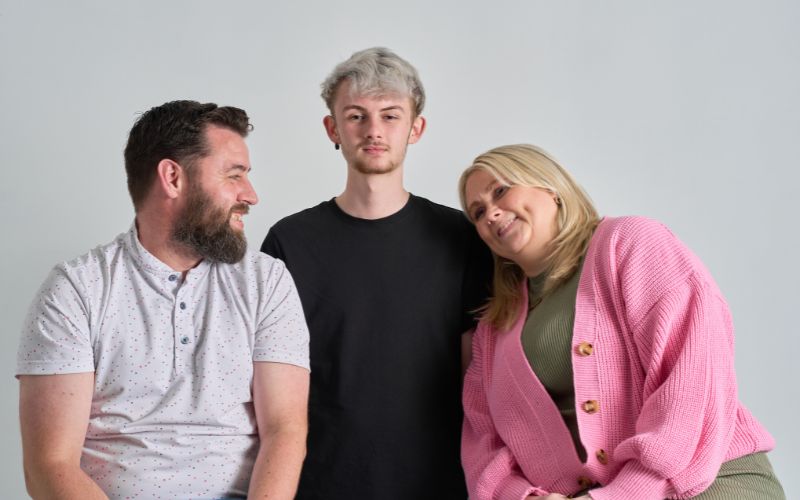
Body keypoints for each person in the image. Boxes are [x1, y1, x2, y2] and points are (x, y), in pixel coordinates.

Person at [16, 100, 310, 500]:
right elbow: (49, 465)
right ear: (173, 177)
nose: (251, 195)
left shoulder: (267, 282)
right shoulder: (76, 290)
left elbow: (286, 431)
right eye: (234, 176)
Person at [458, 144, 784, 500]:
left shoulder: (629, 244)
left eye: (501, 191)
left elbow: (692, 381)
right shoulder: (493, 328)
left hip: (705, 482)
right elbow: (483, 444)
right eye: (477, 212)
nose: (491, 213)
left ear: (549, 186)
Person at [261, 47, 492, 499]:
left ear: (415, 128)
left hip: (441, 481)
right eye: (356, 116)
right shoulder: (289, 242)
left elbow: (480, 380)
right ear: (333, 129)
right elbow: (270, 392)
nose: (373, 131)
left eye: (390, 116)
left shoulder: (461, 237)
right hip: (319, 481)